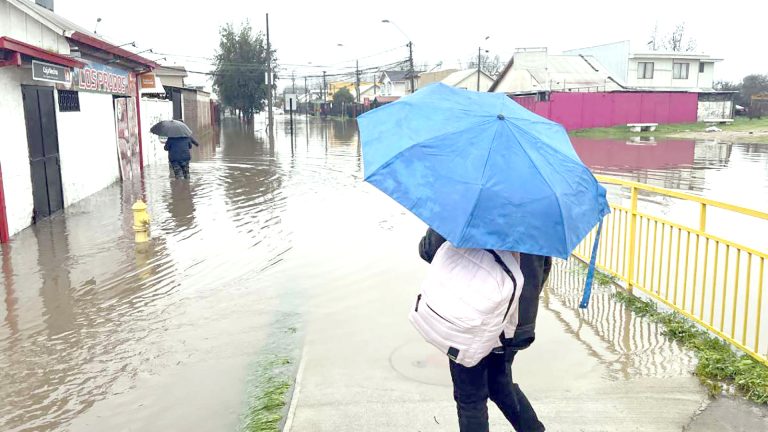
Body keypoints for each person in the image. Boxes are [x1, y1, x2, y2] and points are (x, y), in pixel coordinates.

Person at [419, 228, 552, 432]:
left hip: (471, 318)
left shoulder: (468, 203)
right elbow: (543, 269)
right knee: (500, 383)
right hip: (514, 322)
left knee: (470, 398)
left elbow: (429, 250)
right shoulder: (536, 212)